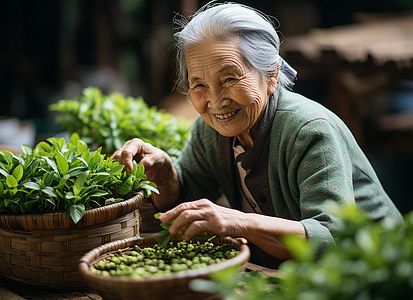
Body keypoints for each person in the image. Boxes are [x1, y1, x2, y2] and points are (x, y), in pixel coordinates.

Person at [113, 2, 403, 267]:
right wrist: (164, 172)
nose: (215, 101)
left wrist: (239, 222)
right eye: (198, 85)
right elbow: (187, 196)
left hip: (377, 270)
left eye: (229, 78)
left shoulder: (309, 130)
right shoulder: (210, 130)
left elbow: (333, 236)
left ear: (272, 75)